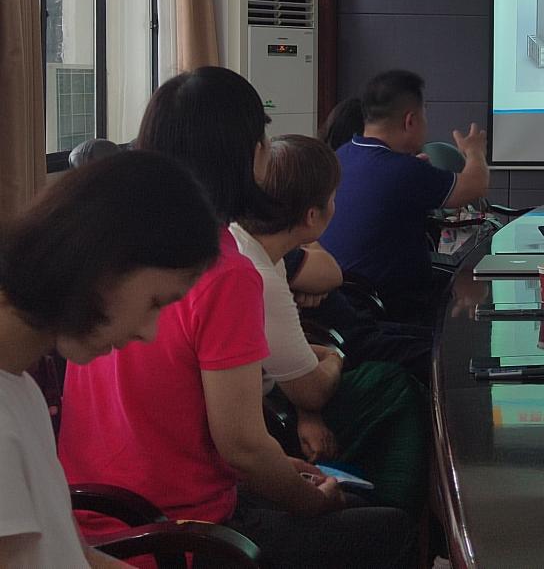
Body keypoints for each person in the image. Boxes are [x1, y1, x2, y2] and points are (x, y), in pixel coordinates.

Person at [57, 67, 416, 569]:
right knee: (390, 529)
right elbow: (242, 447)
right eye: (263, 139)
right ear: (246, 155)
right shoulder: (224, 269)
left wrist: (281, 468)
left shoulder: (112, 242)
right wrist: (311, 501)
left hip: (95, 522)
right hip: (181, 537)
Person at [0, 151, 219, 568]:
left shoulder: (22, 385)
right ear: (101, 262)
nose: (149, 333)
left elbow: (75, 555)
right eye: (155, 302)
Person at [232, 134, 427, 514]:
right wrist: (333, 357)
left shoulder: (255, 248)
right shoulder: (258, 275)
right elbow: (312, 391)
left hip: (277, 399)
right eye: (334, 198)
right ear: (311, 216)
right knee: (399, 388)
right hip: (268, 419)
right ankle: (394, 515)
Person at [319, 69, 489, 310]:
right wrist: (475, 151)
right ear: (411, 121)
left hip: (342, 301)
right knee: (476, 285)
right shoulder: (403, 170)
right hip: (392, 307)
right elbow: (475, 186)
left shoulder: (339, 156)